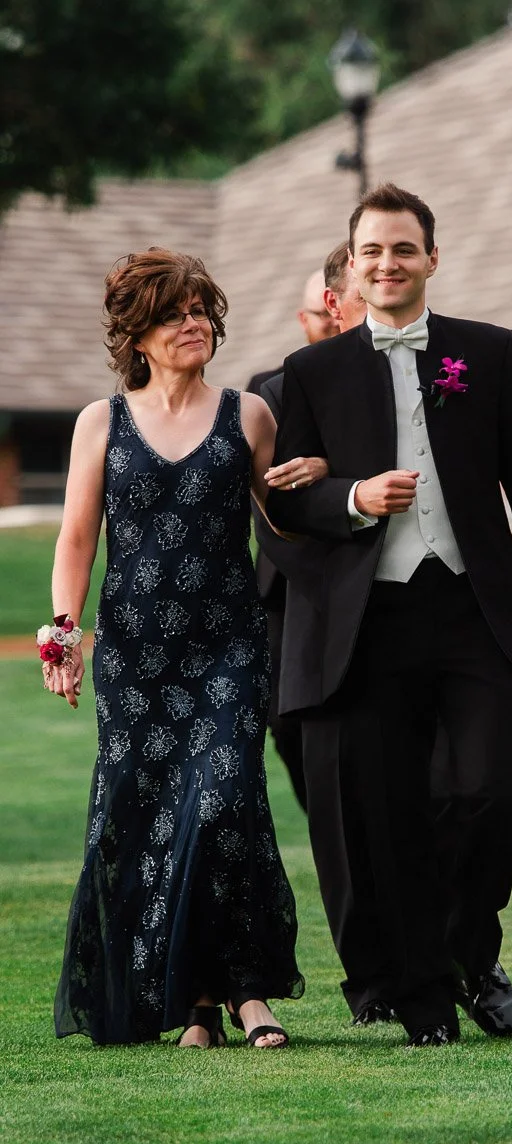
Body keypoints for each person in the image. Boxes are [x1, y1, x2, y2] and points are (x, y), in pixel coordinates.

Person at [266, 183, 512, 1047]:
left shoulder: (486, 351)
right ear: (353, 266)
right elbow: (289, 505)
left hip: (473, 608)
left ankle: (471, 951)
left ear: (431, 260)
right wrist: (356, 497)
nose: (388, 263)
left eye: (403, 249)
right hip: (370, 625)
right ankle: (426, 999)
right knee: (389, 812)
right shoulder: (313, 372)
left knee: (496, 790)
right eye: (372, 250)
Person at [45, 248, 303, 1049]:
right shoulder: (103, 422)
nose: (193, 324)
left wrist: (319, 483)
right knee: (152, 815)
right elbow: (78, 536)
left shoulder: (248, 416)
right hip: (136, 657)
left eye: (199, 310)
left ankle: (250, 991)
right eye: (173, 314)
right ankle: (195, 999)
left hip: (228, 645)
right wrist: (63, 630)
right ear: (140, 335)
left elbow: (286, 525)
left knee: (224, 803)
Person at [247, 268, 341, 810]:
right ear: (302, 319)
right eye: (318, 315)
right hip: (282, 582)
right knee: (282, 719)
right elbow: (269, 489)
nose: (328, 324)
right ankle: (323, 816)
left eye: (335, 313)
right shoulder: (268, 388)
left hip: (356, 568)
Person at [246, 267, 338, 397]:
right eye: (326, 313)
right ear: (304, 320)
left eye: (341, 310)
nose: (337, 321)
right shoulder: (266, 388)